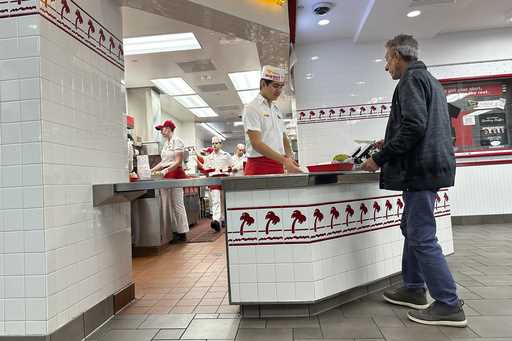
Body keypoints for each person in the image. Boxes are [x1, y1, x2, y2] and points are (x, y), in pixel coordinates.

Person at [361, 34, 465, 327]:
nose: (386, 67)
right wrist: (390, 138)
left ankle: (448, 303)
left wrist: (379, 158)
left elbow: (415, 127)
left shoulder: (409, 80)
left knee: (421, 235)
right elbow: (423, 124)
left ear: (397, 56)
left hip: (420, 170)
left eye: (386, 60)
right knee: (411, 227)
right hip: (430, 167)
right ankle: (413, 288)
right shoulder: (429, 80)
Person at [243, 65, 302, 175]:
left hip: (278, 164)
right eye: (275, 86)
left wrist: (290, 158)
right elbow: (256, 143)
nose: (279, 90)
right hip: (259, 166)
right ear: (263, 84)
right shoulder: (252, 108)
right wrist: (285, 160)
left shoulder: (276, 110)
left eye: (281, 86)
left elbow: (284, 137)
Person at [150, 120, 189, 241]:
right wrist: (150, 170)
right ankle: (174, 231)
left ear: (169, 128)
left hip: (175, 173)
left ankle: (182, 232)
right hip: (166, 173)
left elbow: (177, 161)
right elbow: (163, 162)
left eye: (163, 129)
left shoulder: (177, 141)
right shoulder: (166, 144)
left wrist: (165, 171)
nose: (161, 131)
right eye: (160, 129)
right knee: (170, 204)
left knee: (177, 203)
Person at [204, 136, 233, 232]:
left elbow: (232, 167)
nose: (214, 145)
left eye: (216, 143)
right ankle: (216, 220)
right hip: (213, 180)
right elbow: (205, 169)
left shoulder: (226, 155)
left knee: (223, 200)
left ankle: (224, 218)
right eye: (213, 143)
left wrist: (229, 172)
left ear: (221, 144)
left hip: (224, 179)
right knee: (216, 200)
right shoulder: (208, 157)